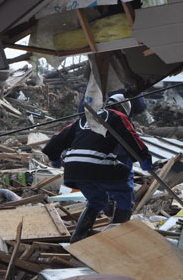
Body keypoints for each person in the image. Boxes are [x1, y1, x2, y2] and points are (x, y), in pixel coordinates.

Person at [43, 96, 152, 243]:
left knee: (97, 199)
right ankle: (118, 239)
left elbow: (58, 138)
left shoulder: (85, 118)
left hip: (73, 167)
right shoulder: (117, 115)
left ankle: (77, 238)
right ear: (123, 110)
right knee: (125, 192)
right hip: (96, 163)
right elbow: (130, 136)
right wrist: (144, 157)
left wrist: (54, 158)